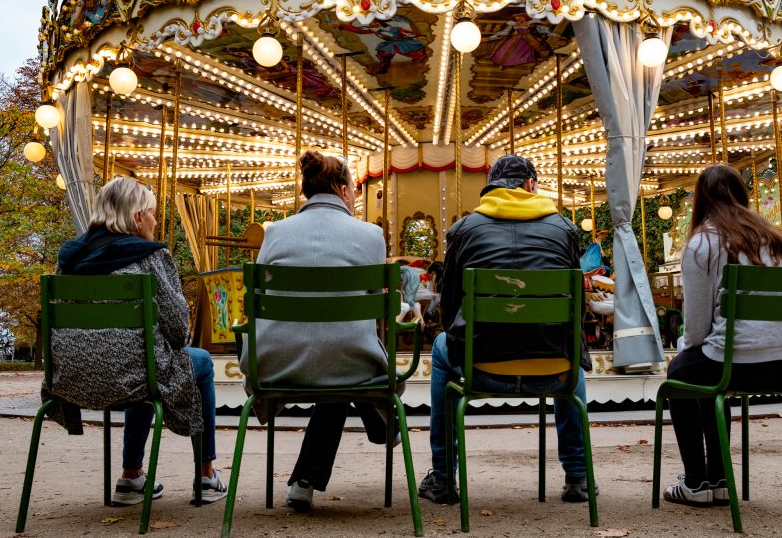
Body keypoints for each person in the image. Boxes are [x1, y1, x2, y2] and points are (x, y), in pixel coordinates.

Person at [418, 154, 595, 505]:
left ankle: (443, 475)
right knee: (569, 352)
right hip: (554, 372)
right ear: (531, 186)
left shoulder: (465, 231)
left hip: (482, 369)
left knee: (441, 346)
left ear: (492, 191)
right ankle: (578, 477)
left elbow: (450, 307)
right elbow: (577, 306)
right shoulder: (563, 229)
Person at [51, 177, 227, 506]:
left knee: (144, 361)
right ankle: (206, 475)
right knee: (196, 362)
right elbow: (178, 333)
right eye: (152, 213)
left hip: (71, 379)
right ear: (136, 218)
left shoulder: (68, 260)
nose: (156, 221)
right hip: (134, 377)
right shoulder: (151, 256)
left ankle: (131, 478)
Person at [241, 150, 392, 511]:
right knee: (339, 359)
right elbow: (375, 303)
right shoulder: (371, 235)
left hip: (277, 362)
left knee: (331, 356)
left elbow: (261, 294)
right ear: (342, 190)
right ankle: (384, 423)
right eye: (355, 189)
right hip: (347, 364)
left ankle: (306, 480)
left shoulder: (275, 233)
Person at [663, 164, 782, 507]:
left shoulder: (703, 243)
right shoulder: (777, 240)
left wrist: (683, 350)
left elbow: (696, 328)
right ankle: (721, 478)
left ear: (700, 200)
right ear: (742, 195)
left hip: (740, 362)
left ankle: (696, 481)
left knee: (682, 372)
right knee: (707, 375)